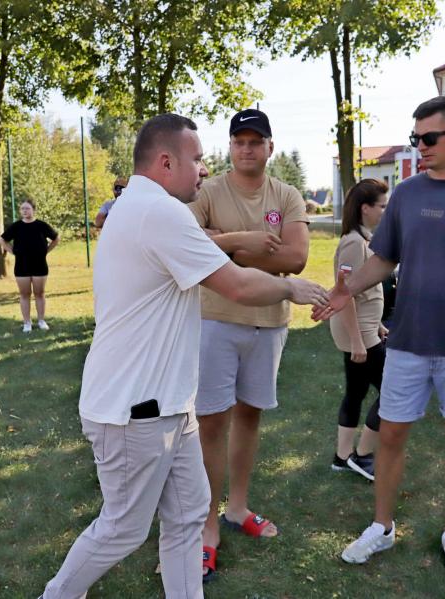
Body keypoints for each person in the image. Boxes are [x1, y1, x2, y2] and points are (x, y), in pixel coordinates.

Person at [39, 113, 328, 599]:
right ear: (166, 162)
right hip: (134, 411)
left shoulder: (140, 207)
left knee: (190, 516)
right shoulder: (158, 212)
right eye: (196, 159)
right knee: (123, 529)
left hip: (171, 405)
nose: (204, 168)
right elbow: (236, 285)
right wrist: (291, 288)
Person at [313, 95, 445, 582]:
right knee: (389, 436)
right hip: (407, 343)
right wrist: (347, 290)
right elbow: (383, 259)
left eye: (429, 137)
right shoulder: (407, 195)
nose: (421, 146)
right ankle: (382, 527)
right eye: (416, 138)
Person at [187, 108, 310, 577]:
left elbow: (296, 258)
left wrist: (225, 245)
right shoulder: (207, 191)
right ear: (230, 146)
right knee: (211, 423)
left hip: (270, 323)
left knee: (249, 416)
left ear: (269, 147)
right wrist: (249, 241)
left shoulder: (286, 195)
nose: (246, 149)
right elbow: (190, 243)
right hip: (215, 320)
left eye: (256, 141)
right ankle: (206, 526)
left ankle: (236, 508)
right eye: (239, 141)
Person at [329, 178, 389, 481]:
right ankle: (362, 456)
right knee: (393, 390)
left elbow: (366, 290)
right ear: (365, 208)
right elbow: (346, 294)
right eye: (382, 206)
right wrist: (357, 341)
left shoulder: (364, 239)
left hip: (366, 328)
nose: (385, 212)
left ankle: (341, 458)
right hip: (356, 331)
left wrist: (377, 324)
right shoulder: (354, 242)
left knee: (356, 391)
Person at [0, 200, 59, 333]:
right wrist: (12, 251)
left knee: (39, 293)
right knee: (25, 294)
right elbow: (1, 240)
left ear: (33, 210)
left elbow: (56, 238)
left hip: (39, 265)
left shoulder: (41, 225)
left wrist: (46, 250)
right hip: (22, 266)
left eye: (27, 208)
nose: (25, 211)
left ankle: (41, 321)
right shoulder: (16, 226)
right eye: (22, 209)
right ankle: (27, 322)